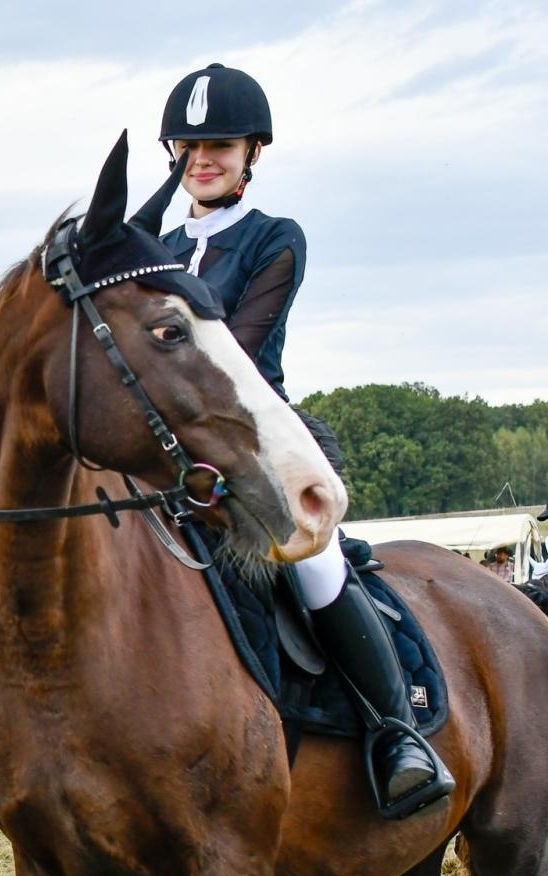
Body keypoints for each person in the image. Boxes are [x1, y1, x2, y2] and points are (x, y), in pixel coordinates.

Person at [158, 64, 451, 818]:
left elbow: (239, 350)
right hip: (159, 448)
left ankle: (396, 737)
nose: (203, 159)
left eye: (219, 144)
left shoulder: (273, 239)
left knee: (312, 560)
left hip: (252, 437)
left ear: (252, 151)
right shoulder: (149, 245)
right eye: (189, 145)